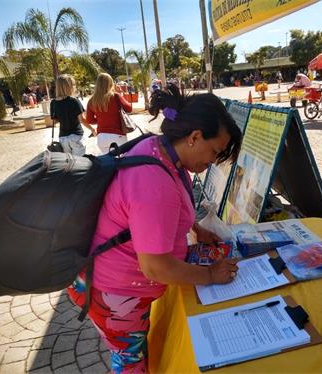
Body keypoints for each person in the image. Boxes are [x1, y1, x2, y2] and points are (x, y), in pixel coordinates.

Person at [67, 83, 242, 373]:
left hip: (110, 281)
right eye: (215, 151)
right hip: (114, 293)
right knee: (129, 362)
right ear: (195, 137)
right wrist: (210, 274)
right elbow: (155, 267)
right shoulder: (153, 181)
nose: (212, 161)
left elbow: (155, 211)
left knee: (131, 353)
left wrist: (196, 228)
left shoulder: (158, 148)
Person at [86, 73, 132, 154]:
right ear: (110, 84)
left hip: (102, 137)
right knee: (124, 162)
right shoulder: (115, 96)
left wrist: (101, 119)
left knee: (110, 163)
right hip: (118, 135)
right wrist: (122, 94)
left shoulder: (91, 100)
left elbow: (89, 120)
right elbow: (129, 108)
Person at [50, 74, 96, 156]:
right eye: (73, 84)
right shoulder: (74, 101)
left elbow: (55, 120)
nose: (74, 87)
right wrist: (92, 129)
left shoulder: (53, 103)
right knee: (80, 163)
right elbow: (82, 120)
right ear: (69, 86)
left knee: (70, 165)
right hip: (76, 136)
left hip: (63, 138)